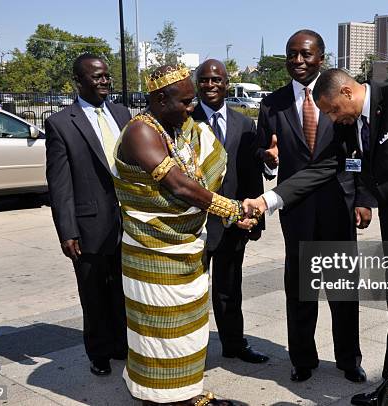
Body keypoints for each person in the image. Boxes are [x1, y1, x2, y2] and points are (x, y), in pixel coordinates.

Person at [246, 67, 388, 404]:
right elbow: (323, 167)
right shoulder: (350, 126)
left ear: (347, 92)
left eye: (333, 110)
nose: (333, 119)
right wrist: (268, 199)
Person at [114, 64, 256, 405]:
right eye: (186, 102)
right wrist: (234, 210)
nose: (192, 108)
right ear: (161, 99)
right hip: (152, 250)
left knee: (187, 330)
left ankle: (185, 392)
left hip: (186, 246)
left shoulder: (178, 126)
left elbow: (208, 160)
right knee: (158, 331)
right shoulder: (141, 132)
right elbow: (180, 185)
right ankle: (160, 397)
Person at [256, 30, 373, 383]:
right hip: (298, 211)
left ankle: (349, 359)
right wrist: (269, 162)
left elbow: (359, 151)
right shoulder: (271, 105)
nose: (298, 61)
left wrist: (364, 199)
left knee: (342, 289)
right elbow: (265, 157)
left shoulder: (338, 96)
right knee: (301, 289)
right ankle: (302, 359)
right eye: (291, 54)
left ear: (322, 57)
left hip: (340, 205)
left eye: (305, 54)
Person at [45, 54, 131, 376]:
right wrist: (67, 230)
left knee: (124, 291)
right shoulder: (61, 123)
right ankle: (99, 354)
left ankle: (122, 346)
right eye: (97, 77)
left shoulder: (122, 114)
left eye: (107, 76)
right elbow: (60, 184)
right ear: (78, 82)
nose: (105, 81)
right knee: (94, 295)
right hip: (89, 225)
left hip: (129, 222)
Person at [193, 59, 269, 364]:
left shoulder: (243, 124)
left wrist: (255, 219)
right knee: (191, 293)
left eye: (216, 80)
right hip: (194, 224)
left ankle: (234, 344)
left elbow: (251, 174)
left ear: (227, 84)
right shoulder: (185, 120)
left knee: (229, 290)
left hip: (232, 223)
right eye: (204, 80)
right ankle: (191, 351)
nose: (210, 85)